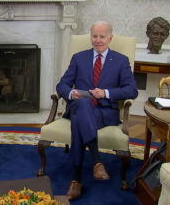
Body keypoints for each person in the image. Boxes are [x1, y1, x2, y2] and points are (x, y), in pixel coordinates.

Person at [56, 21, 138, 200]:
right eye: (95, 36)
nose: (98, 40)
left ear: (110, 38)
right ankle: (96, 161)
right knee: (83, 104)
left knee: (78, 121)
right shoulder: (79, 58)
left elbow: (132, 90)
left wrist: (106, 93)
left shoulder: (120, 61)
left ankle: (76, 180)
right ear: (90, 37)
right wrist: (71, 93)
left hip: (104, 112)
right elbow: (61, 85)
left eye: (102, 36)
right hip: (80, 105)